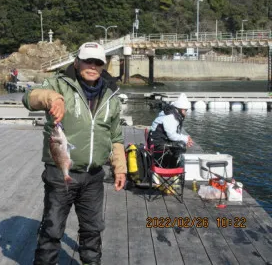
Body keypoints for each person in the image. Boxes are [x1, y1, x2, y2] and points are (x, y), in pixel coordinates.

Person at [22, 42, 127, 265]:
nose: (93, 66)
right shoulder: (59, 84)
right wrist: (51, 98)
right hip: (60, 175)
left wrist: (120, 167)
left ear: (104, 65)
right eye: (88, 60)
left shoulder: (111, 95)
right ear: (76, 62)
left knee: (93, 230)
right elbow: (29, 97)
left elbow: (116, 136)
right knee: (52, 229)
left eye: (98, 62)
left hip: (94, 176)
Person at [147, 93, 194, 168]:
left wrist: (186, 138)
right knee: (181, 146)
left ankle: (169, 164)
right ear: (181, 109)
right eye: (185, 110)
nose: (186, 113)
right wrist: (186, 139)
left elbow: (173, 133)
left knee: (180, 142)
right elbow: (172, 135)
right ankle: (171, 167)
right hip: (157, 144)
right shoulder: (171, 117)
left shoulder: (170, 112)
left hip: (155, 140)